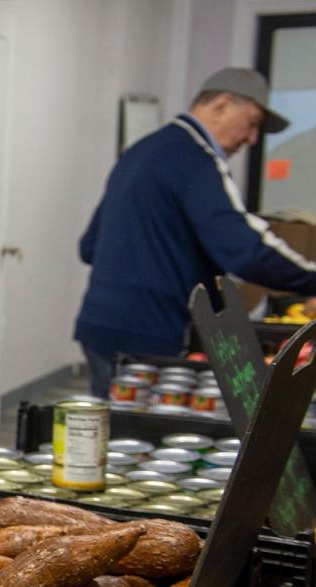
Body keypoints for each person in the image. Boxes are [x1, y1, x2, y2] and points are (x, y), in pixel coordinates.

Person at [74, 67, 316, 398]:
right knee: (152, 437)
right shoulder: (197, 159)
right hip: (154, 334)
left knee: (112, 434)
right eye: (252, 123)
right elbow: (245, 250)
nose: (252, 139)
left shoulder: (141, 151)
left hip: (100, 326)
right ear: (221, 105)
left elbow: (89, 246)